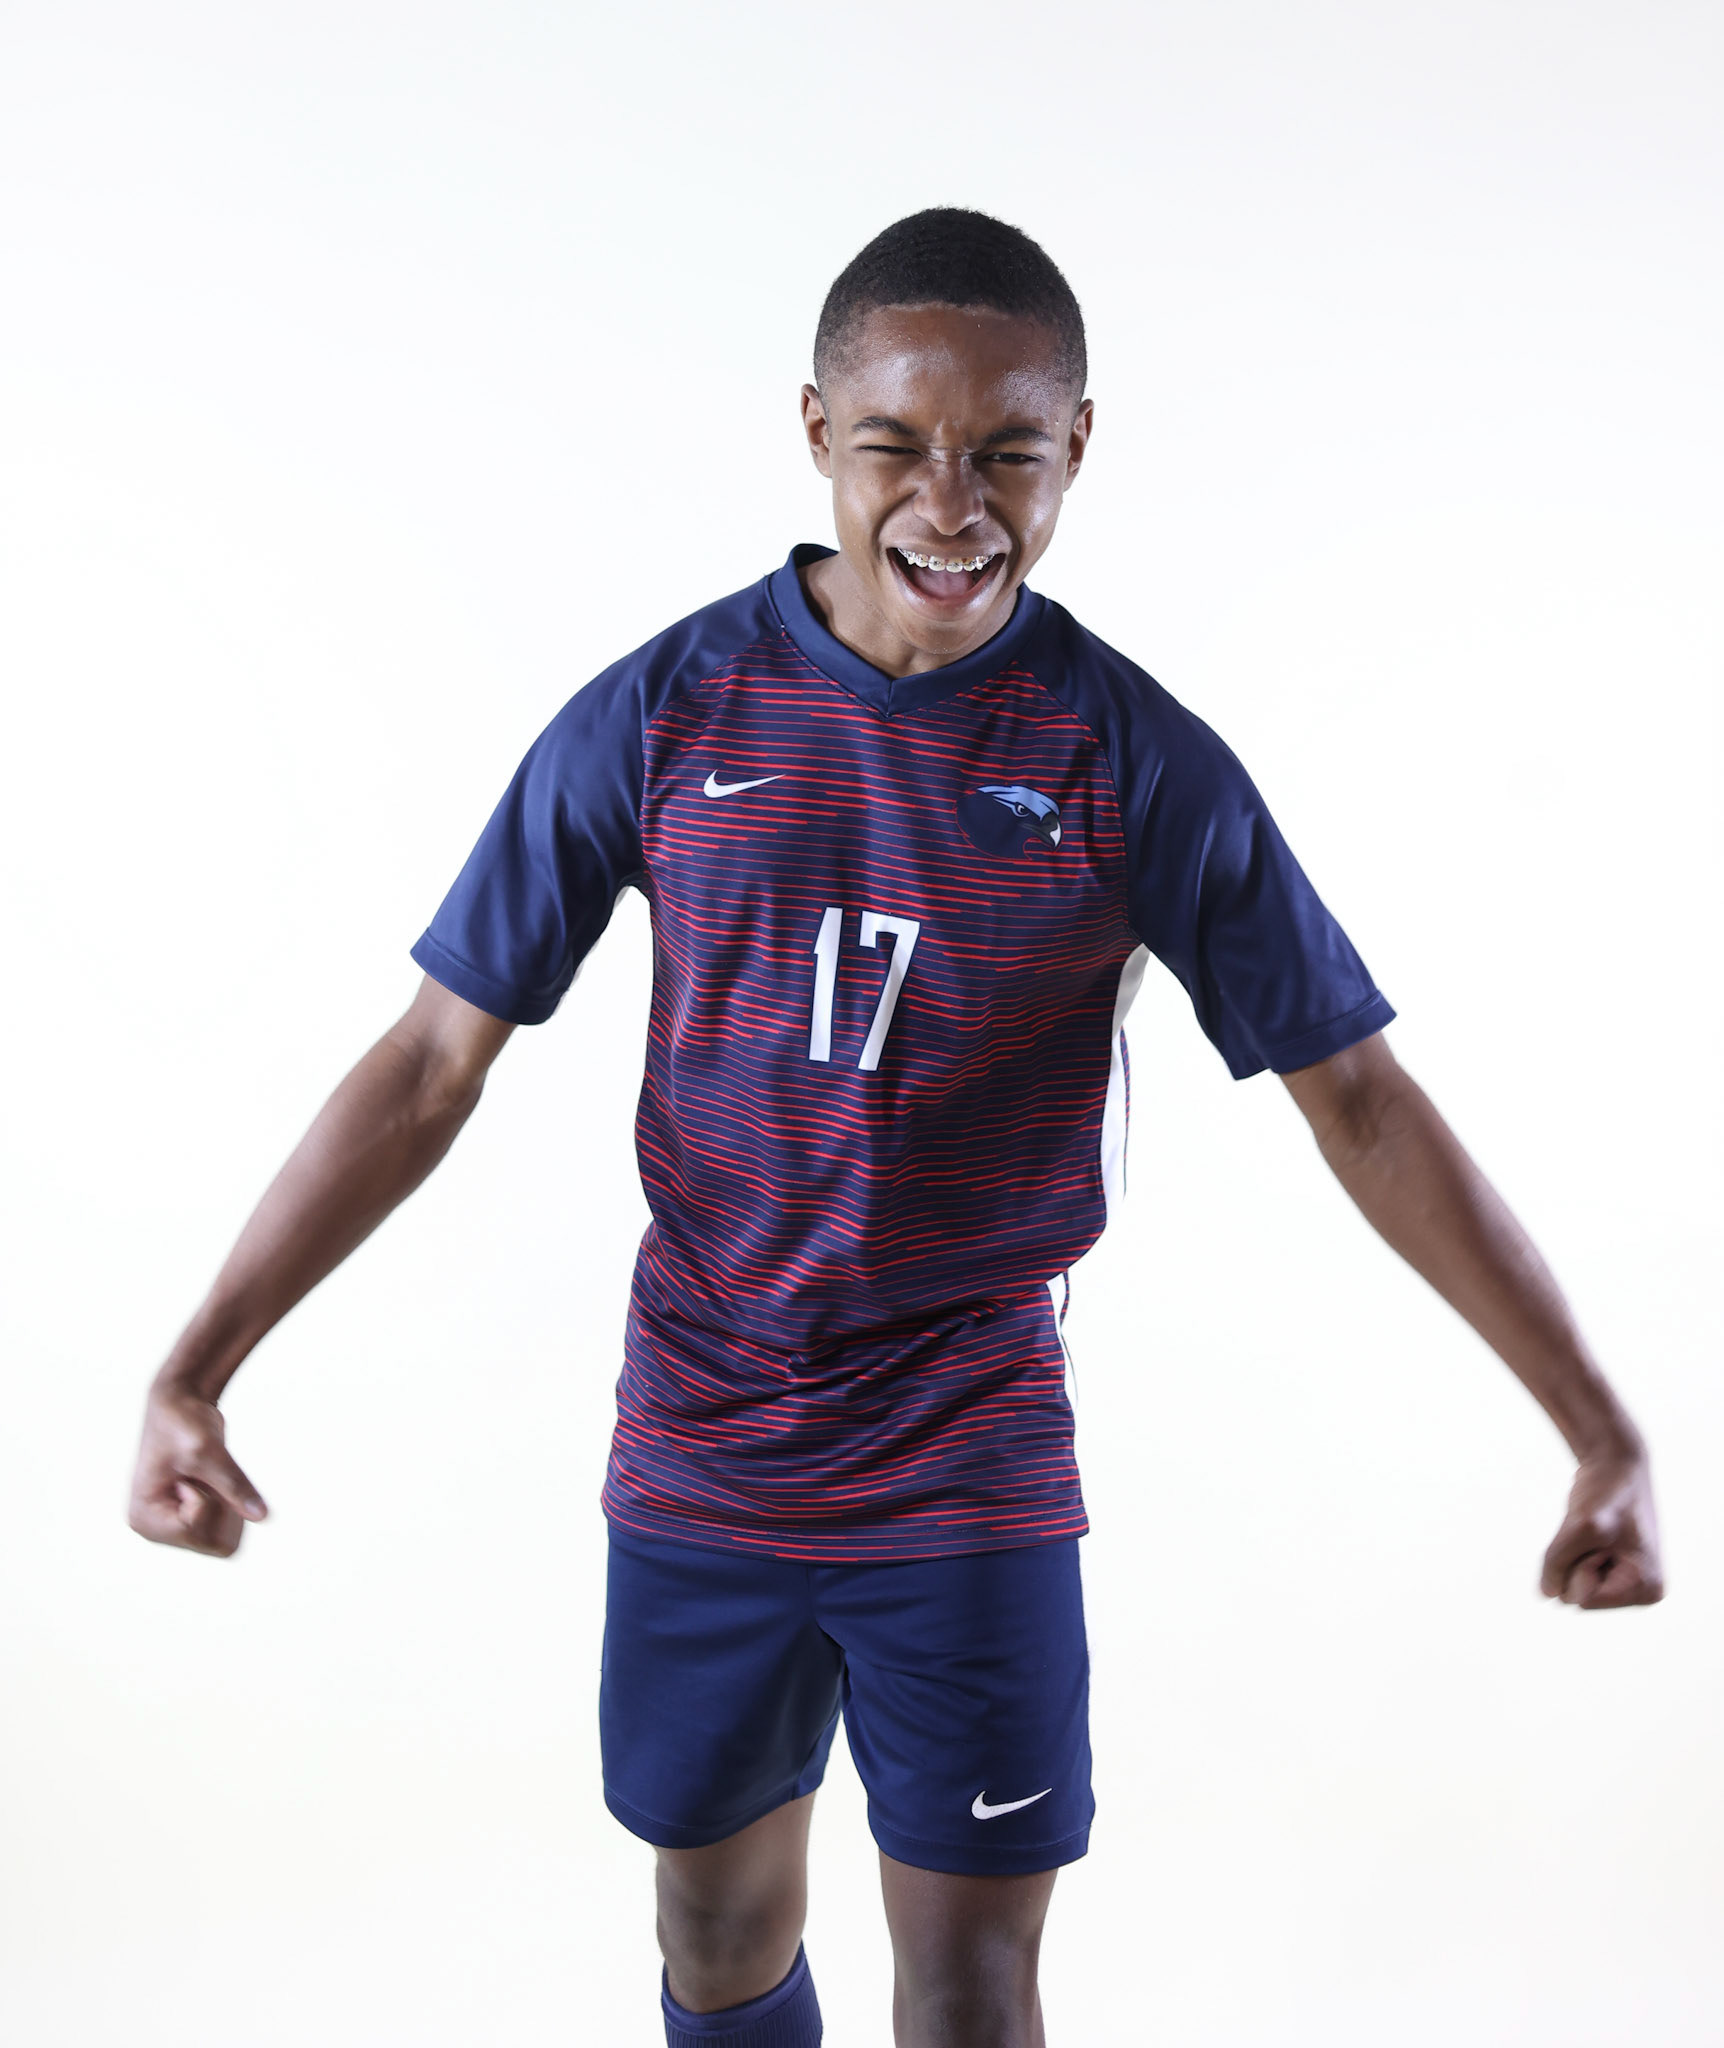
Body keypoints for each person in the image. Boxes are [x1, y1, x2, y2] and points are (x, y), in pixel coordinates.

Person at [128, 209, 1663, 2048]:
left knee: (967, 1982)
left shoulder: (1130, 759)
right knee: (711, 1933)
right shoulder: (667, 711)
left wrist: (1599, 1430)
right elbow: (430, 1062)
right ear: (813, 435)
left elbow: (1364, 1103)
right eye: (897, 446)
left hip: (970, 1454)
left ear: (1077, 447)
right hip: (702, 1440)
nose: (954, 500)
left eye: (1010, 451)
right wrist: (199, 1366)